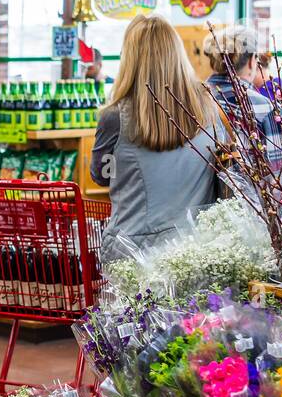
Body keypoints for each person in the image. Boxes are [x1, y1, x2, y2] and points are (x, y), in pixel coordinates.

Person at [90, 14, 221, 261]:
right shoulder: (209, 108)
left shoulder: (115, 118)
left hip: (133, 253)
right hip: (198, 249)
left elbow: (101, 175)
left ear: (128, 59)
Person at [202, 26, 282, 170]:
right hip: (241, 191)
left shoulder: (190, 98)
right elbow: (277, 171)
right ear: (252, 61)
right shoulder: (261, 106)